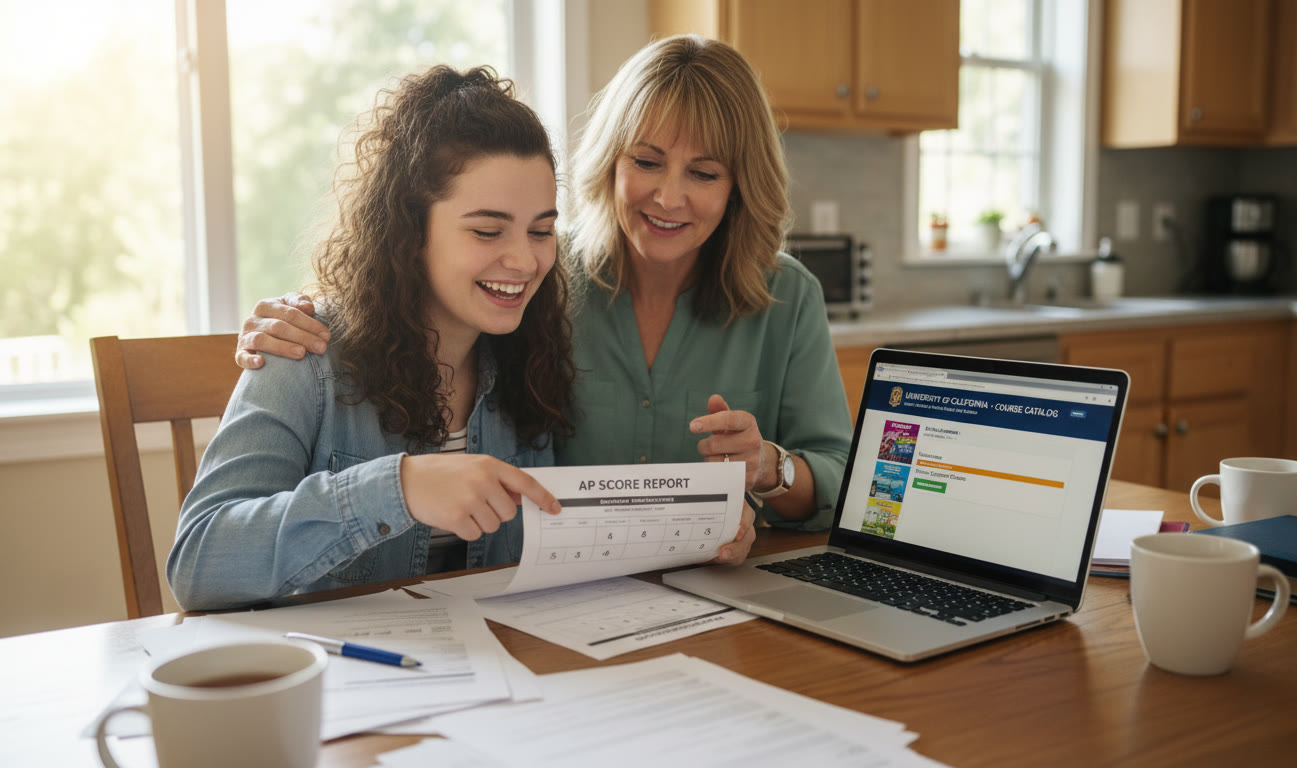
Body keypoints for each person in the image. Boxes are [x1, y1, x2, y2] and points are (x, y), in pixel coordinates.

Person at [171, 64, 753, 612]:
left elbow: (576, 525)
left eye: (542, 230)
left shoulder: (532, 360)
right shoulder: (304, 355)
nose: (524, 260)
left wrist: (717, 526)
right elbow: (197, 566)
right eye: (486, 229)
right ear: (408, 232)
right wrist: (397, 488)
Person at [233, 35, 853, 534]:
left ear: (739, 184)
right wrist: (301, 315)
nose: (668, 195)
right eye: (645, 161)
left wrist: (761, 477)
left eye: (704, 172)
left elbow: (844, 484)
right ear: (610, 159)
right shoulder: (537, 289)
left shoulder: (784, 297)